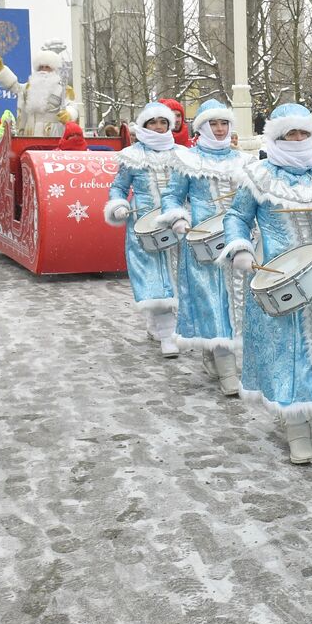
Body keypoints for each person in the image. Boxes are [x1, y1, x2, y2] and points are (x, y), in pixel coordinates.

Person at [222, 103, 312, 462]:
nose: (298, 139)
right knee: (287, 349)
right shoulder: (257, 175)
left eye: (303, 133)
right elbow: (236, 217)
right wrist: (240, 248)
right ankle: (296, 425)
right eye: (290, 134)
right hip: (276, 275)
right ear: (276, 137)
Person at [156, 99, 251, 401]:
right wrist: (178, 219)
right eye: (214, 124)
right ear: (202, 128)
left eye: (224, 123)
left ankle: (215, 352)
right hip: (201, 243)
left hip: (239, 242)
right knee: (213, 305)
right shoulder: (188, 160)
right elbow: (171, 197)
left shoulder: (245, 161)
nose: (220, 129)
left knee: (238, 306)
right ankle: (227, 371)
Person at [105, 102, 182, 357]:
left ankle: (161, 325)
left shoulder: (182, 154)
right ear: (144, 126)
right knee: (153, 276)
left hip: (175, 222)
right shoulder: (131, 155)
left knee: (175, 274)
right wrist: (118, 205)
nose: (159, 127)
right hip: (142, 225)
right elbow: (118, 187)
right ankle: (167, 334)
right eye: (153, 123)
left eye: (163, 122)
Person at [0, 49, 78, 136]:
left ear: (53, 69)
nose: (43, 70)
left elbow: (72, 105)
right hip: (30, 131)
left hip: (53, 132)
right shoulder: (29, 87)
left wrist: (69, 113)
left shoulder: (64, 89)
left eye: (47, 67)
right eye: (41, 67)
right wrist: (1, 70)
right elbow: (15, 86)